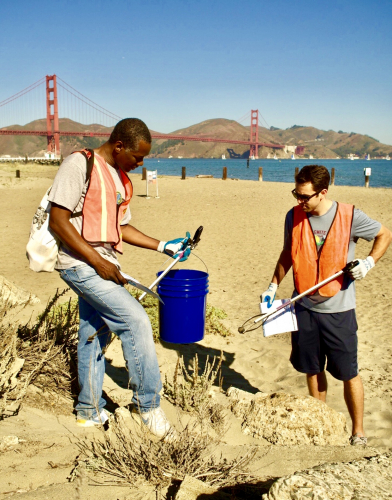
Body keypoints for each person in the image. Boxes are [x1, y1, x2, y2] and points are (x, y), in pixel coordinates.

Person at [49, 118, 190, 438]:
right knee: (136, 320)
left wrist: (163, 246)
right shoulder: (79, 164)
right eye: (137, 157)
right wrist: (98, 261)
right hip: (79, 264)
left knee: (92, 332)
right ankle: (149, 406)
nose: (140, 165)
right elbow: (58, 220)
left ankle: (88, 410)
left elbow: (120, 228)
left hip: (105, 264)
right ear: (118, 146)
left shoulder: (122, 181)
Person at [260, 165, 392, 446]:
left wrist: (369, 262)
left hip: (339, 311)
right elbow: (289, 252)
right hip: (304, 307)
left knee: (349, 372)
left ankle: (358, 431)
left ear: (323, 192)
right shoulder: (293, 215)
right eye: (296, 193)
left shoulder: (350, 215)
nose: (299, 201)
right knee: (312, 368)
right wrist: (273, 285)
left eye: (305, 196)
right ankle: (322, 422)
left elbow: (385, 234)